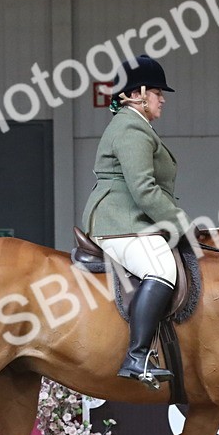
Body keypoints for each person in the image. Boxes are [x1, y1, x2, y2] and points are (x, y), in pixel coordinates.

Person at [81, 54, 190, 386]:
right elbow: (144, 189)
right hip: (119, 220)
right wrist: (180, 224)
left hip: (131, 219)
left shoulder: (138, 126)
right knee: (161, 268)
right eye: (158, 93)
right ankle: (137, 356)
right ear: (139, 92)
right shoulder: (130, 127)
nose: (163, 99)